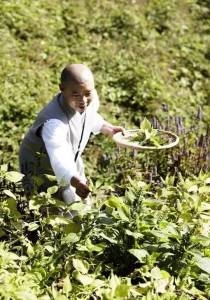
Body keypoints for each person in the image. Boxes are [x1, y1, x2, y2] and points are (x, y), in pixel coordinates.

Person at [18, 63, 124, 216]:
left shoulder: (87, 101)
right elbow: (59, 156)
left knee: (77, 192)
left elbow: (90, 117)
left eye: (88, 93)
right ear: (62, 89)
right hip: (40, 161)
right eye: (76, 94)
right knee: (50, 204)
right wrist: (73, 180)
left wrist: (107, 128)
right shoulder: (54, 123)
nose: (83, 100)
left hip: (69, 153)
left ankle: (83, 217)